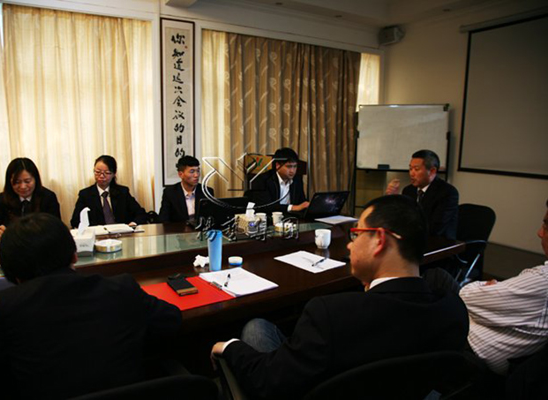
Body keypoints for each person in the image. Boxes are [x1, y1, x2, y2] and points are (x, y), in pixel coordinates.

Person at [211, 195, 469, 399]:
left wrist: (230, 347)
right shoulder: (453, 310)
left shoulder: (330, 314)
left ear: (379, 240)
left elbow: (268, 381)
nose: (349, 244)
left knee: (253, 329)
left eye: (356, 235)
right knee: (258, 327)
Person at [0, 213, 181, 399]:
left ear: (11, 272)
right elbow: (171, 319)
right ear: (75, 255)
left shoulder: (10, 307)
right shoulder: (120, 288)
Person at [459, 198, 548, 376]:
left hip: (471, 353)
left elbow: (466, 296)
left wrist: (485, 288)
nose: (539, 233)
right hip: (484, 336)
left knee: (437, 279)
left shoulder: (542, 279)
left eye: (546, 225)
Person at [386, 149, 458, 239]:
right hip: (413, 239)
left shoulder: (447, 193)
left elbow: (434, 229)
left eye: (416, 169)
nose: (411, 173)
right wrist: (393, 198)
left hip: (438, 242)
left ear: (432, 171)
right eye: (410, 169)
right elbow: (401, 219)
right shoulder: (408, 190)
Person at [0, 158, 60, 239]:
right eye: (17, 182)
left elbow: (56, 228)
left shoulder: (48, 197)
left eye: (27, 181)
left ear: (36, 180)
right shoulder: (4, 198)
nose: (23, 186)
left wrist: (13, 231)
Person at [71, 155, 147, 228]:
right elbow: (75, 221)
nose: (101, 176)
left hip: (121, 234)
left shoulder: (123, 192)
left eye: (107, 173)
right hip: (98, 235)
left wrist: (133, 224)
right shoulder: (85, 195)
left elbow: (141, 214)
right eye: (97, 172)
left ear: (114, 174)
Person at [244, 147, 309, 214]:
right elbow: (266, 206)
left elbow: (301, 202)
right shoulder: (263, 180)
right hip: (270, 217)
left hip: (292, 217)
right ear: (278, 166)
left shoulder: (297, 179)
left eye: (295, 166)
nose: (292, 171)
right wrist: (292, 207)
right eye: (289, 167)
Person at [158, 155, 214, 223]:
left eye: (198, 171)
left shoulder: (207, 191)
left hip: (200, 228)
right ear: (180, 174)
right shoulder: (170, 192)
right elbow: (163, 220)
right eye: (192, 171)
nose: (196, 175)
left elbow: (212, 217)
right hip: (178, 229)